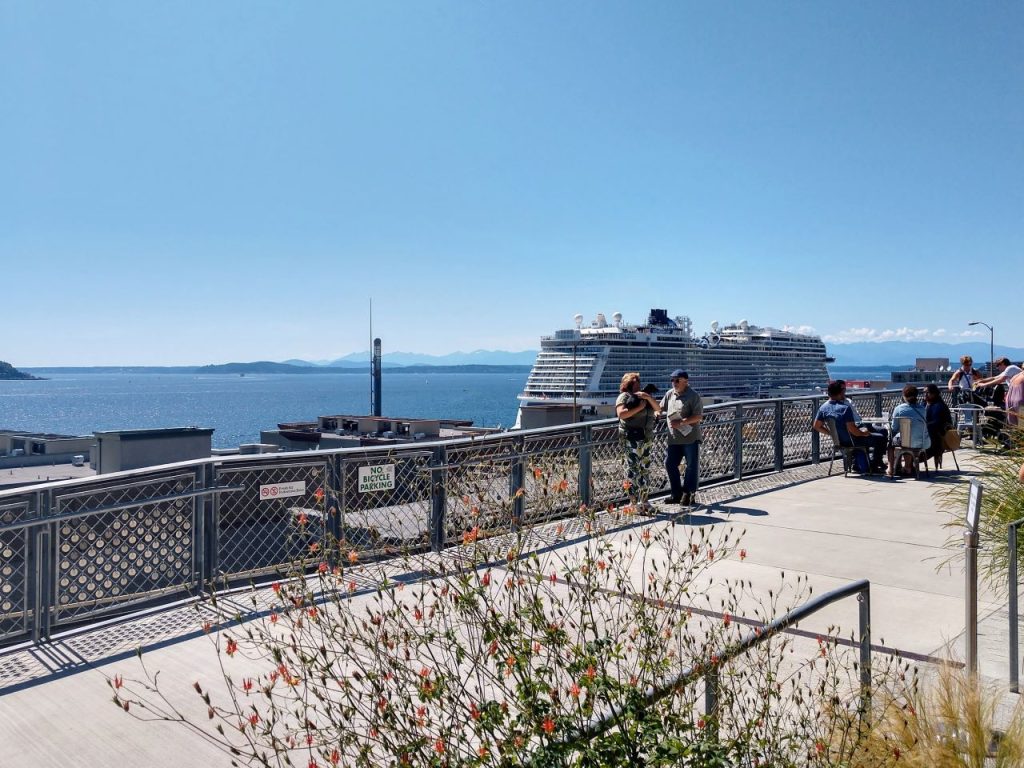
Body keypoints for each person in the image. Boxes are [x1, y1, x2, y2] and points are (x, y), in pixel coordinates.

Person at [813, 381, 887, 473]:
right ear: (841, 393)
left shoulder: (823, 408)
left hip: (839, 441)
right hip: (853, 441)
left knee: (876, 432)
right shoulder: (844, 408)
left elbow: (816, 426)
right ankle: (875, 464)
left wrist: (832, 434)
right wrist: (864, 433)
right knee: (881, 437)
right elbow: (853, 431)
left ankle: (866, 463)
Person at [615, 372, 660, 508]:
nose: (638, 386)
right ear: (628, 385)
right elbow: (621, 414)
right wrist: (639, 407)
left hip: (646, 438)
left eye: (639, 383)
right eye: (635, 384)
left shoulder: (644, 397)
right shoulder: (624, 397)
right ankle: (633, 501)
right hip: (631, 438)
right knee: (632, 469)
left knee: (644, 469)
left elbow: (658, 409)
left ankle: (644, 500)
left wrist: (647, 397)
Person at [660, 370, 703, 506]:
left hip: (690, 438)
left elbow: (698, 416)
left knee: (691, 466)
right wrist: (656, 412)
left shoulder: (693, 396)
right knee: (669, 463)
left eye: (677, 380)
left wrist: (682, 422)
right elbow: (660, 407)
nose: (674, 383)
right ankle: (676, 494)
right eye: (672, 380)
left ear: (685, 381)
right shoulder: (669, 394)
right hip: (674, 439)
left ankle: (688, 494)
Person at [886, 384, 931, 478]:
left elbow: (894, 428)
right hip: (922, 442)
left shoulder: (899, 409)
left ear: (904, 396)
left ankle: (890, 468)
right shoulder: (923, 409)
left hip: (907, 442)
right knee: (908, 437)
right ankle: (907, 467)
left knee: (892, 442)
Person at [948, 355, 983, 429]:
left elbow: (982, 380)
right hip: (963, 393)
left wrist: (977, 382)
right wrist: (950, 386)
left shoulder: (974, 371)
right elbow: (952, 380)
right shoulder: (959, 372)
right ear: (962, 364)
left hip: (973, 393)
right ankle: (968, 428)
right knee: (966, 410)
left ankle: (973, 430)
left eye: (969, 364)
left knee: (975, 411)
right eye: (966, 364)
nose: (968, 366)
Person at [923, 383, 953, 463]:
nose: (925, 395)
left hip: (938, 437)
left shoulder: (939, 406)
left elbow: (937, 423)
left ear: (934, 393)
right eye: (924, 392)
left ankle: (910, 464)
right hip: (926, 434)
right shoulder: (924, 404)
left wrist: (923, 426)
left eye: (927, 393)